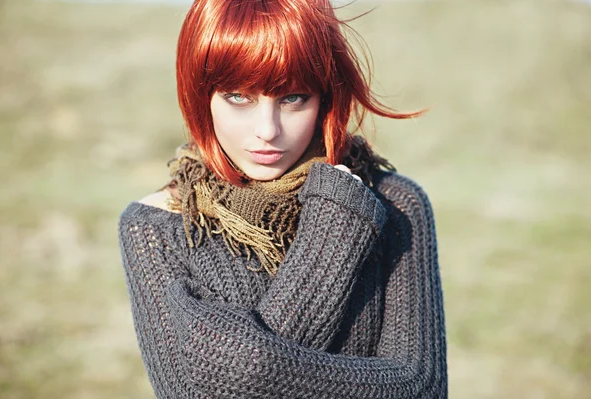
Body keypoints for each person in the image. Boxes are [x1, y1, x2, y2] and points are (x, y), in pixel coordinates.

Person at [118, 0, 447, 397]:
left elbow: (420, 387)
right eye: (238, 97)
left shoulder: (393, 204)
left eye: (293, 98)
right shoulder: (158, 226)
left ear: (325, 97)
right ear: (201, 95)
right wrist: (333, 233)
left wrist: (239, 363)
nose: (267, 130)